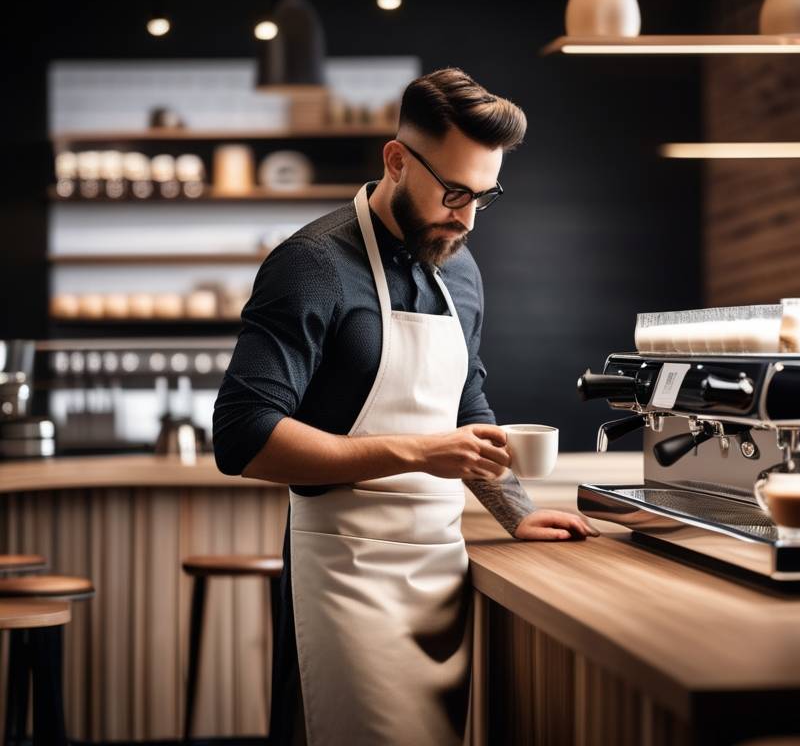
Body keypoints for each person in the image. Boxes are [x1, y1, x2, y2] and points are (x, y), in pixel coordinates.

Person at [212, 67, 599, 746]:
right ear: (397, 159)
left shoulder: (461, 267)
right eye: (454, 192)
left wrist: (517, 511)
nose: (468, 217)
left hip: (440, 573)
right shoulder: (311, 265)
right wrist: (420, 453)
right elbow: (243, 437)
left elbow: (465, 403)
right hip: (346, 574)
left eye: (486, 196)